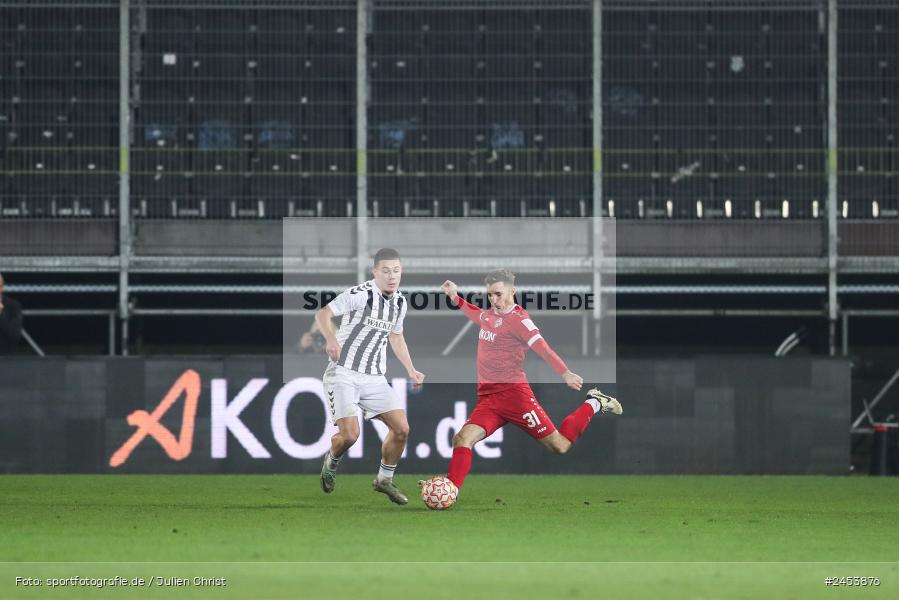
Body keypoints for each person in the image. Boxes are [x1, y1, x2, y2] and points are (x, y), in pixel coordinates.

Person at [438, 269, 622, 497]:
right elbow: (477, 314)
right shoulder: (490, 316)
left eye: (498, 294)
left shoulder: (520, 320)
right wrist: (455, 297)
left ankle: (594, 403)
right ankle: (450, 490)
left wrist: (565, 373)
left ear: (512, 291)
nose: (494, 300)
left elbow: (542, 348)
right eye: (490, 295)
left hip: (515, 396)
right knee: (462, 439)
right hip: (488, 399)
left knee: (560, 446)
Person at [315, 248, 425, 505]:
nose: (391, 276)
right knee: (350, 436)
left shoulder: (400, 302)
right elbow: (322, 314)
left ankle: (384, 480)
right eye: (385, 270)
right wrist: (331, 339)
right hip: (343, 372)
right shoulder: (360, 294)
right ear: (375, 272)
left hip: (374, 376)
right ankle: (332, 459)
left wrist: (411, 368)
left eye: (396, 271)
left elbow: (395, 336)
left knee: (402, 430)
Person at [0, 272, 23, 355]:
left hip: (5, 359)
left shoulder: (13, 306)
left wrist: (1, 315)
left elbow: (14, 336)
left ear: (2, 288)